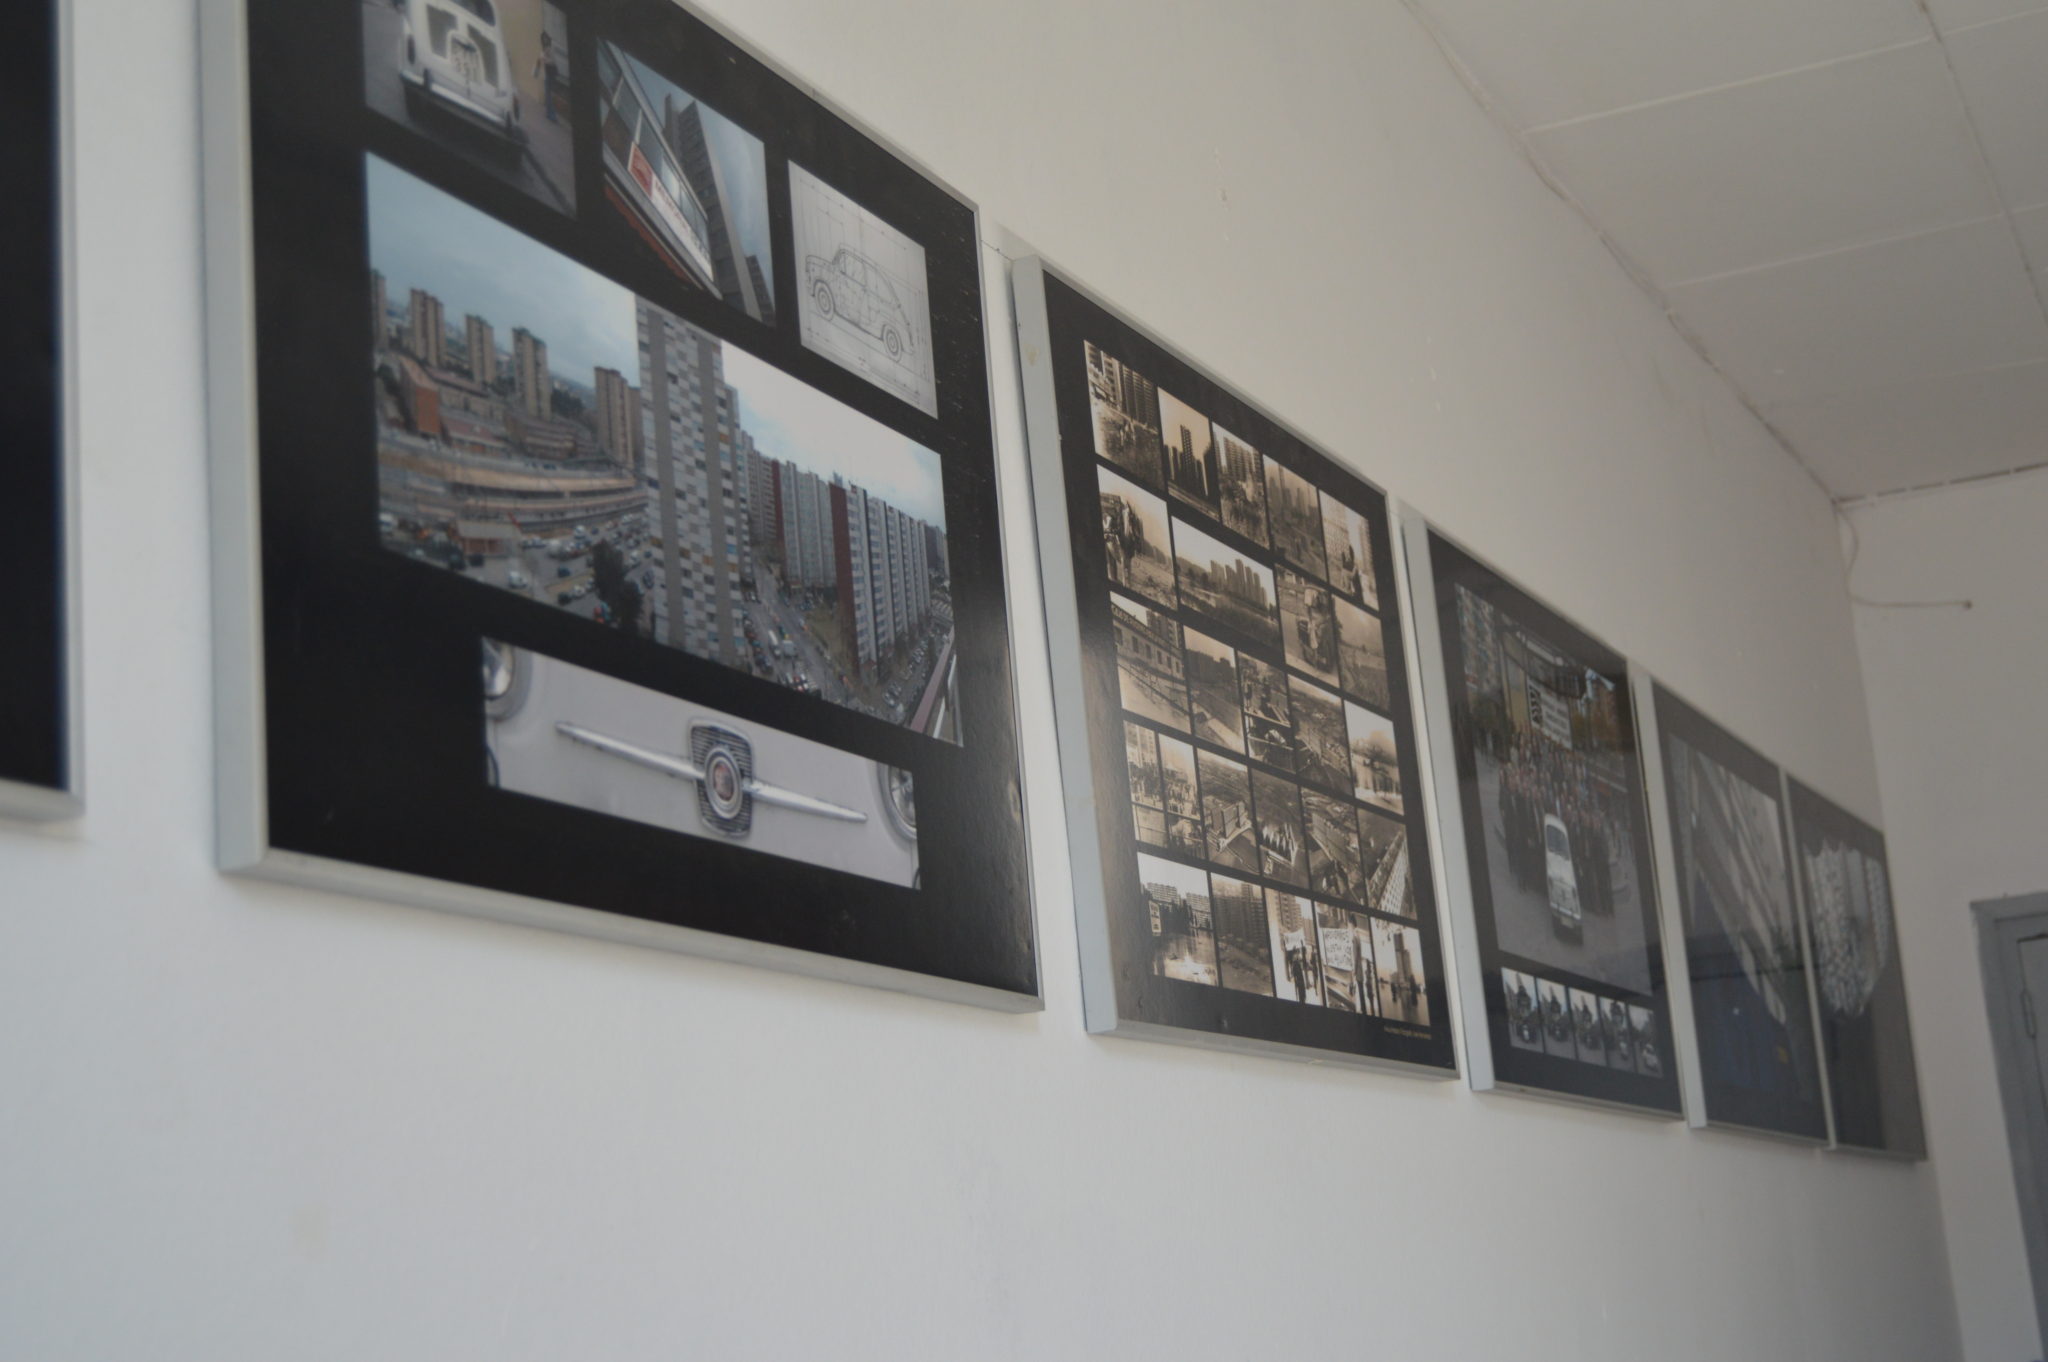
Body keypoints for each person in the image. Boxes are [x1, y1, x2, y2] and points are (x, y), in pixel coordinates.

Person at [533, 31, 562, 125]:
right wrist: (536, 71)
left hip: (552, 74)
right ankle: (549, 114)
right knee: (548, 94)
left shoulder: (550, 48)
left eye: (545, 38)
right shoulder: (545, 48)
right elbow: (540, 60)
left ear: (547, 38)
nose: (544, 40)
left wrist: (544, 59)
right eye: (543, 39)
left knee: (548, 95)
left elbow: (553, 62)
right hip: (549, 74)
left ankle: (552, 116)